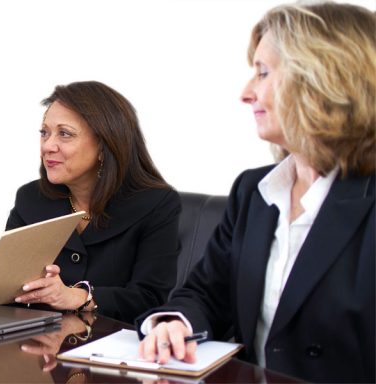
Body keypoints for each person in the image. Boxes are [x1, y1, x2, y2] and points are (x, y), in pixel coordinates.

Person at [136, 2, 375, 382]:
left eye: (263, 73)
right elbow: (204, 293)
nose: (246, 93)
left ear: (323, 78)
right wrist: (174, 323)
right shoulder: (254, 191)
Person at [3, 81, 180, 324]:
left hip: (116, 353)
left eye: (64, 134)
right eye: (44, 132)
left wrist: (80, 297)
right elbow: (13, 288)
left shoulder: (157, 204)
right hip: (40, 349)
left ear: (104, 146)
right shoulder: (30, 199)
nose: (47, 146)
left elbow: (151, 298)